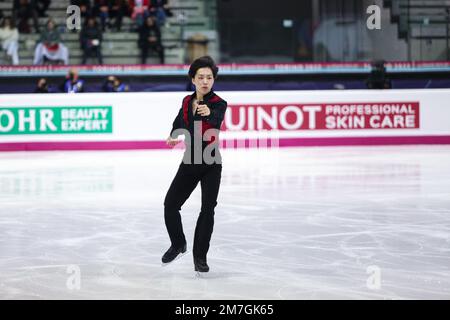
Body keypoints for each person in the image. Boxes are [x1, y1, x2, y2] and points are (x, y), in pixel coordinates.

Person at [162, 56, 227, 273]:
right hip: (190, 161)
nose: (205, 81)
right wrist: (173, 135)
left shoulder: (218, 104)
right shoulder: (186, 102)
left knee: (207, 210)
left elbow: (216, 120)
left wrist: (208, 112)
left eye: (209, 77)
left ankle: (200, 257)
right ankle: (178, 244)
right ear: (193, 79)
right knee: (170, 205)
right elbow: (180, 120)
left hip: (210, 162)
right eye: (201, 77)